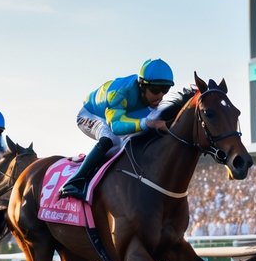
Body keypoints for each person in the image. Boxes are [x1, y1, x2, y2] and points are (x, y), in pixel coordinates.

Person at [59, 58, 175, 200]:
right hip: (92, 114)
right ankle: (74, 182)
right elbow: (116, 126)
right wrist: (148, 123)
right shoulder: (120, 92)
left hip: (117, 115)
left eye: (165, 90)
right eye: (156, 90)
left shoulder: (152, 99)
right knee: (110, 139)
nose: (160, 96)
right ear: (142, 86)